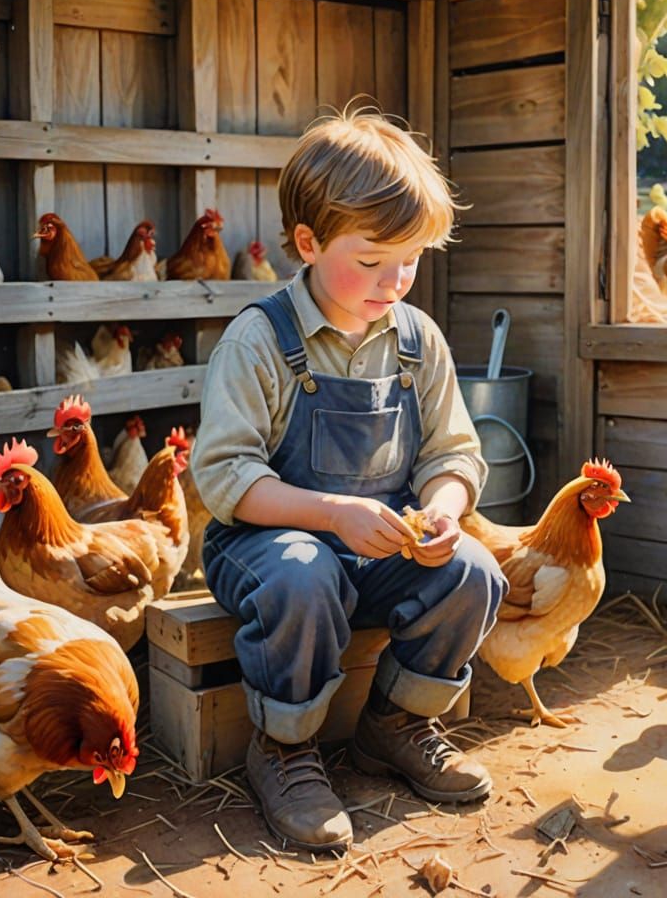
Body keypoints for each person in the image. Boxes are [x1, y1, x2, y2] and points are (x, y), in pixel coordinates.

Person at [191, 104, 507, 852]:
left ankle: (394, 725)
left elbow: (453, 454)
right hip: (264, 548)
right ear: (308, 242)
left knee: (475, 573)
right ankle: (283, 749)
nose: (394, 280)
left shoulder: (417, 340)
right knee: (304, 576)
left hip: (377, 545)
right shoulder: (260, 340)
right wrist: (332, 514)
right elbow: (226, 476)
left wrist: (441, 510)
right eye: (370, 261)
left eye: (411, 259)